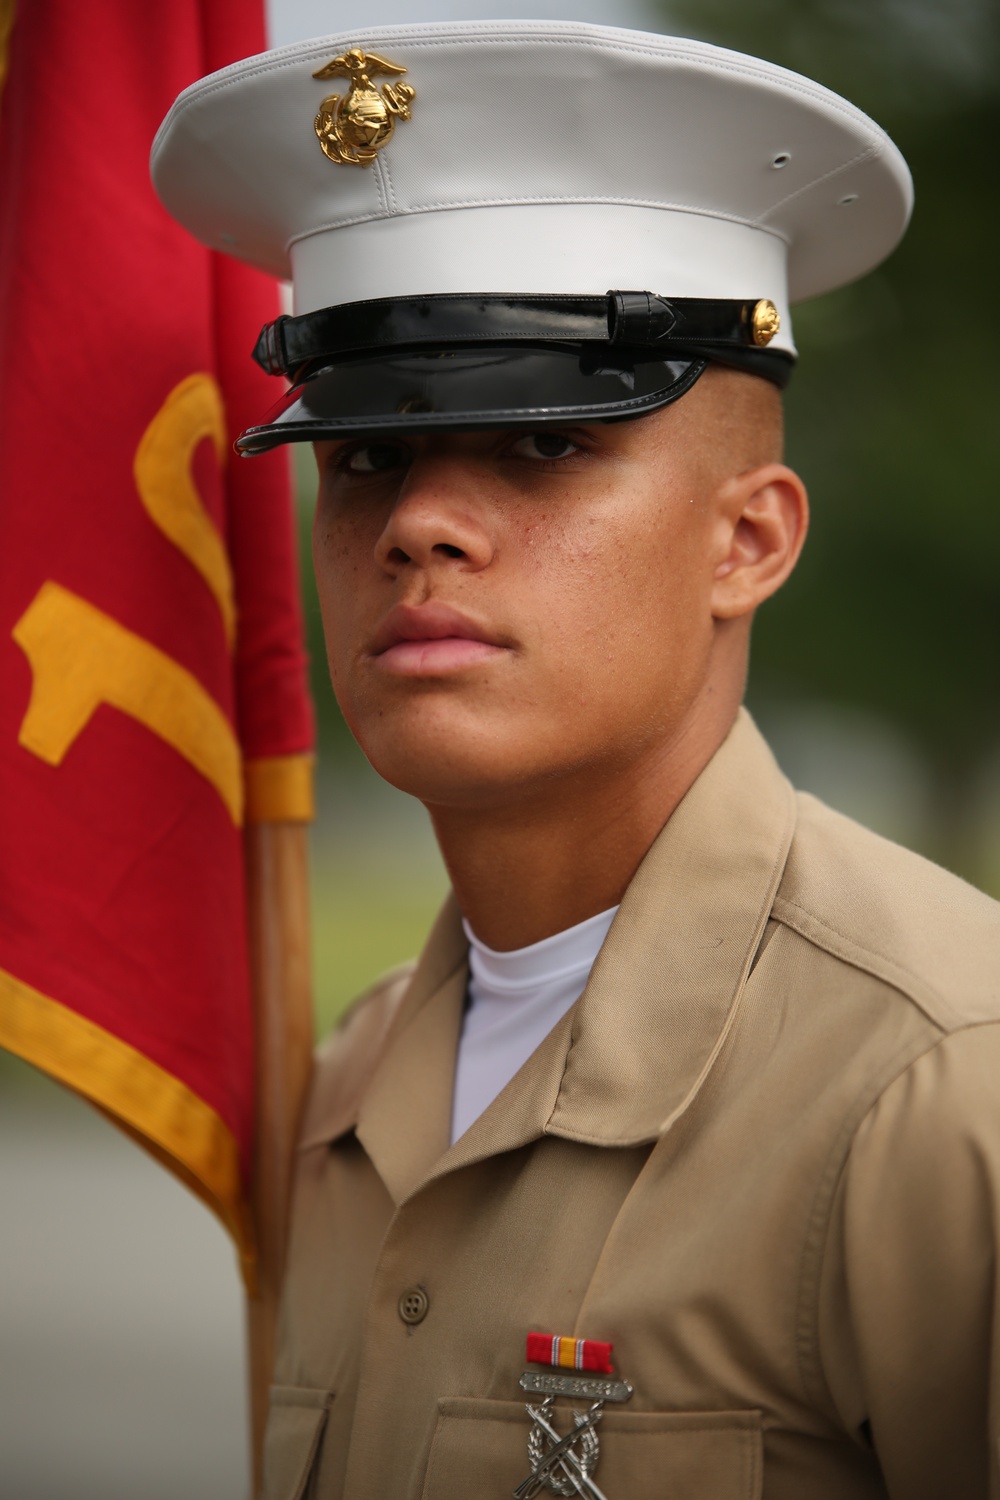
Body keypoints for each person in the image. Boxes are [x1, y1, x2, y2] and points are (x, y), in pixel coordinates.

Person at [153, 21, 1000, 1499]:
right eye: (363, 456)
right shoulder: (345, 1082)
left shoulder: (941, 1086)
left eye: (544, 445)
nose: (418, 523)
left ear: (749, 539)